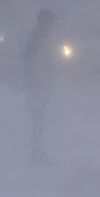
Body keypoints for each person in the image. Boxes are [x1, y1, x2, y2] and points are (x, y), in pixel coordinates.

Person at [23, 9, 58, 164]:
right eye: (49, 21)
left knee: (40, 121)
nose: (51, 24)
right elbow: (30, 59)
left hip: (40, 83)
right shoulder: (37, 37)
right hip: (37, 84)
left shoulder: (41, 36)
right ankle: (36, 154)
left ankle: (38, 152)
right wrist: (38, 79)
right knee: (38, 120)